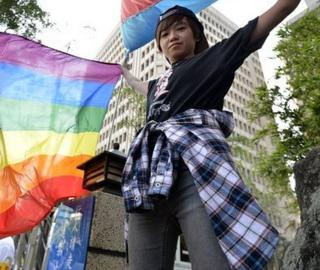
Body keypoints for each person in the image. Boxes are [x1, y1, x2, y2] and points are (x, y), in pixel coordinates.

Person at [120, 1, 301, 270]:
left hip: (198, 176)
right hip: (148, 182)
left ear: (196, 36)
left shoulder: (214, 58)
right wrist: (123, 73)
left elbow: (273, 16)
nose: (174, 36)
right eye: (165, 34)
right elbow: (140, 85)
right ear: (159, 47)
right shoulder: (157, 85)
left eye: (181, 29)